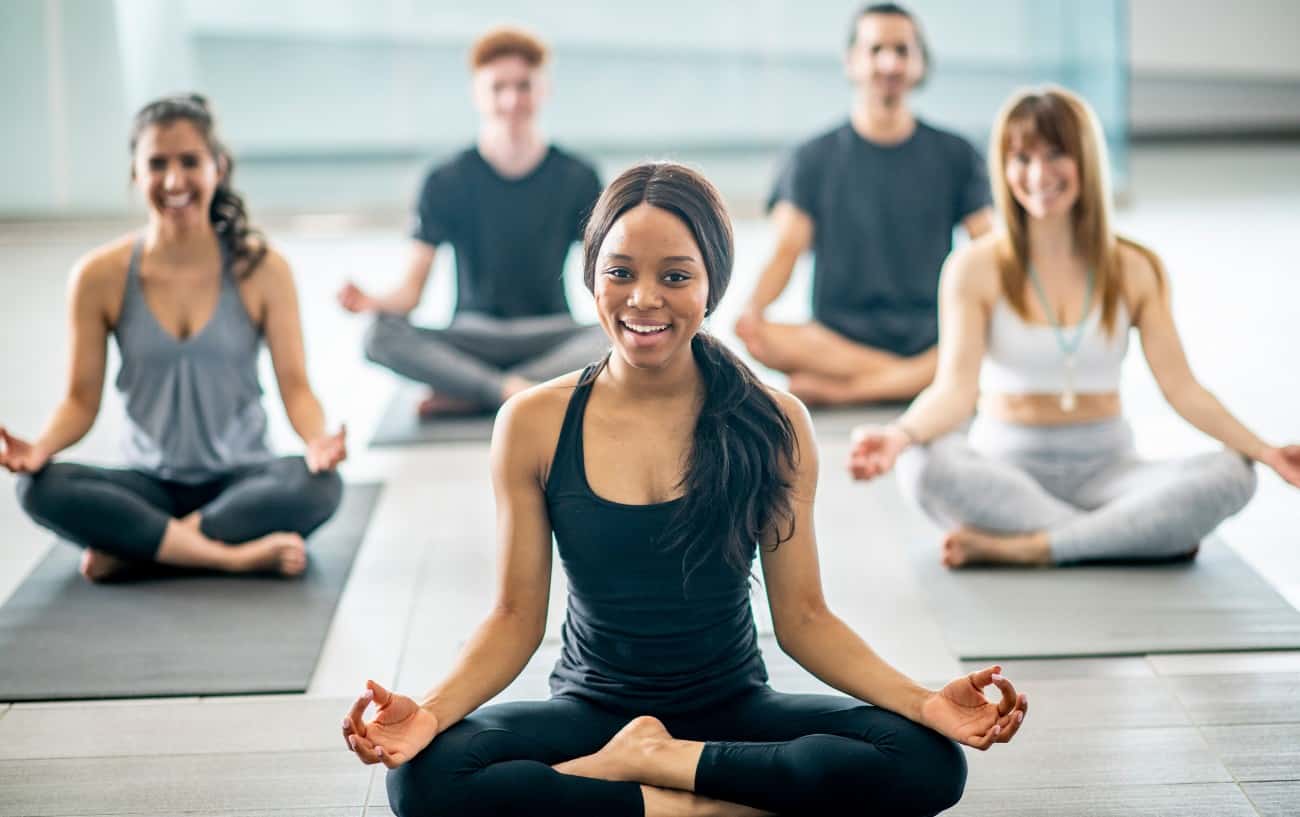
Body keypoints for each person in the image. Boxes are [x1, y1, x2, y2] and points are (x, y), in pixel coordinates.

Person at [341, 162, 1027, 817]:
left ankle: (656, 771)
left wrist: (926, 702)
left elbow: (806, 619)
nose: (644, 299)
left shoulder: (775, 420)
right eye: (620, 272)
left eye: (675, 275)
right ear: (591, 277)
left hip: (733, 708)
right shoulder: (533, 423)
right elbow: (515, 619)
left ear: (712, 284)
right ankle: (720, 798)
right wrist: (428, 712)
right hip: (591, 713)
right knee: (425, 776)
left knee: (927, 760)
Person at [848, 86, 1300, 568]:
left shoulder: (1133, 267)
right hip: (1006, 473)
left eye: (1056, 154)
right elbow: (954, 392)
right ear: (1004, 169)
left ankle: (1032, 547)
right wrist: (899, 435)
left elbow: (1181, 388)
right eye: (1021, 158)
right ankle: (1131, 537)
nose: (1038, 175)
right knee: (921, 465)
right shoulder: (973, 267)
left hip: (1110, 472)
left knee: (1234, 474)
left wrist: (1264, 450)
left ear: (1086, 159)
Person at [0, 94, 345, 583]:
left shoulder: (263, 269)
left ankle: (142, 548)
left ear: (218, 169)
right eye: (157, 164)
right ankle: (228, 556)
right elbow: (80, 400)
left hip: (241, 479)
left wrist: (318, 442)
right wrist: (40, 450)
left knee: (320, 486)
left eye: (190, 162)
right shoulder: (99, 276)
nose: (174, 180)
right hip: (149, 484)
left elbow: (295, 386)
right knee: (38, 489)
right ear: (135, 175)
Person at [339, 26, 607, 417]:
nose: (512, 99)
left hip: (550, 333)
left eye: (523, 86)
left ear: (543, 89)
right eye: (498, 88)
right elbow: (411, 294)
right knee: (378, 336)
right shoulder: (445, 180)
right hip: (472, 334)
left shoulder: (579, 177)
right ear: (478, 94)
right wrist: (372, 301)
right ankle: (518, 390)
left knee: (619, 337)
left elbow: (608, 276)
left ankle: (474, 390)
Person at [735, 2, 993, 406]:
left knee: (988, 330)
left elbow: (989, 246)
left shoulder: (957, 154)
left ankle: (852, 390)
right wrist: (753, 308)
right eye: (876, 50)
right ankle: (917, 382)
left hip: (931, 332)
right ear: (851, 62)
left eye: (902, 51)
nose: (889, 63)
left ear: (920, 64)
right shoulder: (810, 158)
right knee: (761, 334)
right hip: (837, 341)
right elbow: (786, 250)